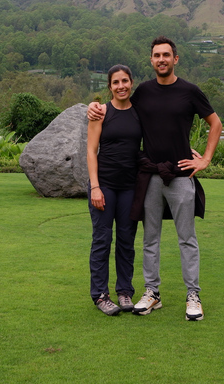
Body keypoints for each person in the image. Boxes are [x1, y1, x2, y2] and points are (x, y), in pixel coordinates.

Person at [89, 36, 222, 321]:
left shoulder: (190, 91)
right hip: (149, 177)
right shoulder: (144, 93)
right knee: (150, 239)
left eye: (166, 55)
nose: (161, 59)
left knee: (186, 238)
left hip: (180, 175)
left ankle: (193, 295)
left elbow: (215, 123)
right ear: (151, 61)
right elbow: (118, 105)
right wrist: (93, 106)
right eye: (156, 55)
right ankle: (152, 293)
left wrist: (205, 159)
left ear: (175, 59)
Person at [86, 64, 142, 316]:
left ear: (131, 83)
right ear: (109, 86)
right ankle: (100, 295)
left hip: (130, 186)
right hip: (104, 186)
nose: (121, 86)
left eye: (125, 81)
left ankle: (124, 292)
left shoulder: (139, 112)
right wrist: (95, 187)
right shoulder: (101, 113)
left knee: (126, 241)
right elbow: (91, 150)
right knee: (102, 240)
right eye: (116, 82)